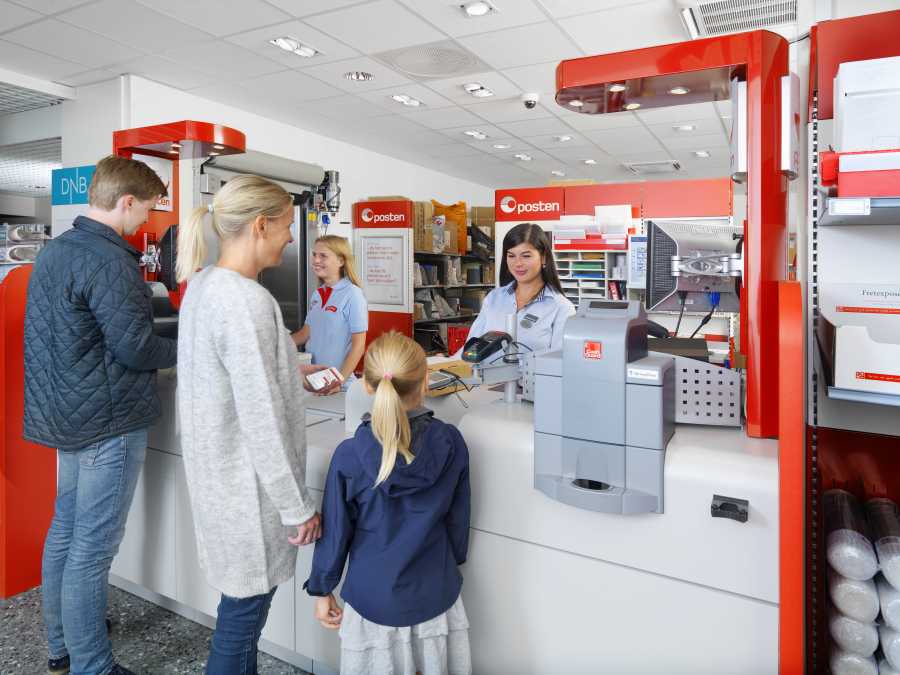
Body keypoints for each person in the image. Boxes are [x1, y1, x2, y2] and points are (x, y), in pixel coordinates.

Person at [23, 154, 176, 675]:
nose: (147, 220)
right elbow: (135, 348)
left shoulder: (57, 250)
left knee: (65, 531)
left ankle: (62, 644)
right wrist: (188, 346)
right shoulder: (110, 260)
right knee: (91, 549)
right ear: (126, 201)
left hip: (66, 415)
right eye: (147, 209)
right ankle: (93, 665)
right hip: (108, 421)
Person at [175, 175, 324, 674]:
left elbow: (225, 378)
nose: (290, 237)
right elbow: (261, 419)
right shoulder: (247, 301)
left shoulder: (204, 286)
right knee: (240, 631)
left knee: (236, 618)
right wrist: (296, 507)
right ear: (261, 225)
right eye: (286, 226)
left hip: (220, 486)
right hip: (249, 495)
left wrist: (290, 370)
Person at [305, 332, 472, 675]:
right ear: (425, 382)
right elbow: (458, 519)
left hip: (372, 598)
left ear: (367, 386)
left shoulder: (350, 456)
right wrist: (452, 561)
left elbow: (335, 532)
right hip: (435, 592)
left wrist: (322, 589)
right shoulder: (451, 442)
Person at [463, 222, 575, 354]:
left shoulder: (561, 307)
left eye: (526, 256)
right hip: (486, 369)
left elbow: (561, 360)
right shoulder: (494, 298)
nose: (518, 263)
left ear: (543, 258)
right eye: (511, 256)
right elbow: (470, 350)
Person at [292, 235, 368, 390]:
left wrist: (338, 382)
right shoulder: (317, 294)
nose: (316, 260)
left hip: (338, 386)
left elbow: (358, 346)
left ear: (341, 261)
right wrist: (275, 343)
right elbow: (305, 334)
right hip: (313, 381)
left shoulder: (352, 294)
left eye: (323, 256)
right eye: (314, 255)